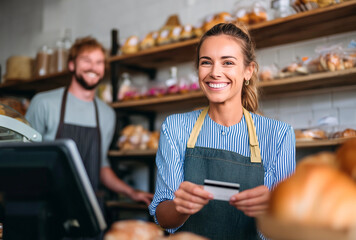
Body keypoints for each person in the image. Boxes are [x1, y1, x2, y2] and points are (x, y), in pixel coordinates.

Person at [148, 23, 296, 240]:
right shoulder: (175, 128)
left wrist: (272, 210)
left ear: (248, 71)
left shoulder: (279, 135)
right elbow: (162, 217)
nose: (215, 73)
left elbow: (287, 228)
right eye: (206, 62)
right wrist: (181, 207)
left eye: (228, 62)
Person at [26, 37, 153, 215]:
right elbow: (24, 158)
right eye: (86, 60)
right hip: (49, 208)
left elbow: (101, 165)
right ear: (72, 65)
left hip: (89, 208)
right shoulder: (44, 103)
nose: (93, 67)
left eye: (99, 62)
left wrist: (131, 192)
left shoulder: (107, 114)